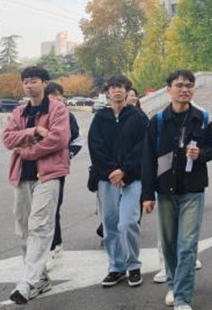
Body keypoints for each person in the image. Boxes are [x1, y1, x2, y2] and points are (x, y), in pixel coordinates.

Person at [142, 70, 212, 310]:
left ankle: (182, 297)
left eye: (189, 85)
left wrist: (201, 154)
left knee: (187, 245)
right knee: (169, 244)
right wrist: (147, 195)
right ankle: (174, 284)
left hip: (193, 190)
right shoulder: (157, 121)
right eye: (179, 85)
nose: (184, 89)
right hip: (165, 190)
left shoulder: (203, 118)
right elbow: (148, 159)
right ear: (169, 90)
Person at [2, 66, 71, 304]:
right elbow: (7, 138)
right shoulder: (19, 112)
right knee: (22, 229)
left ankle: (27, 282)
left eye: (33, 81)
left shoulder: (57, 109)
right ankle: (40, 278)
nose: (29, 85)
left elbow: (59, 139)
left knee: (40, 225)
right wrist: (34, 130)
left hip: (48, 175)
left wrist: (28, 151)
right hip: (22, 176)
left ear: (44, 83)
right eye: (25, 82)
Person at [88, 75, 148, 288]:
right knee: (110, 224)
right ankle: (116, 267)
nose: (116, 91)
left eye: (120, 87)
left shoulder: (138, 117)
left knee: (128, 222)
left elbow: (143, 147)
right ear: (107, 92)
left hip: (132, 178)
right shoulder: (100, 118)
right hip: (107, 179)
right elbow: (95, 147)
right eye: (112, 88)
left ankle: (133, 264)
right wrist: (111, 171)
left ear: (127, 90)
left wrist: (124, 171)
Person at [44, 82, 83, 272]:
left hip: (56, 170)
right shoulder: (33, 114)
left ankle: (54, 246)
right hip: (33, 169)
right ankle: (47, 246)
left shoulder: (67, 115)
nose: (58, 98)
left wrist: (66, 156)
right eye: (53, 95)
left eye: (59, 94)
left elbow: (78, 140)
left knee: (52, 208)